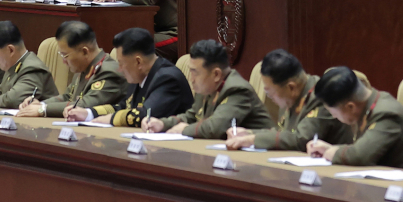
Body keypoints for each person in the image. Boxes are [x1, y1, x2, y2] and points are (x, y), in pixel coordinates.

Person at [226, 49, 352, 151]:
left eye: (271, 93)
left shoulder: (322, 96)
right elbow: (283, 132)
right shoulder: (292, 97)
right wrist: (248, 133)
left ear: (291, 87)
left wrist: (252, 140)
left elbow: (301, 139)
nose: (271, 98)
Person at [144, 39, 272, 138]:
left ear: (216, 74)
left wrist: (183, 130)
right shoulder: (208, 86)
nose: (191, 78)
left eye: (195, 72)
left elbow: (215, 128)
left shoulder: (237, 90)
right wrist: (163, 124)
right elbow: (192, 116)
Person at [306, 66, 403, 167]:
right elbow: (362, 148)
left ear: (350, 107)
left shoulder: (386, 113)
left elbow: (360, 156)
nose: (333, 116)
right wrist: (331, 149)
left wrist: (332, 153)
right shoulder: (370, 104)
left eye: (333, 112)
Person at [75, 28, 193, 126]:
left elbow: (145, 114)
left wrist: (111, 119)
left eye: (121, 63)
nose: (119, 69)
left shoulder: (168, 79)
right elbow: (124, 107)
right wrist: (89, 113)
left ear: (138, 62)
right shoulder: (139, 74)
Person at [12, 21, 125, 118]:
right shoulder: (84, 67)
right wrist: (39, 104)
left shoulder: (109, 72)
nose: (63, 61)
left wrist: (43, 109)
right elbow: (67, 97)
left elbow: (85, 105)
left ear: (84, 52)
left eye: (65, 55)